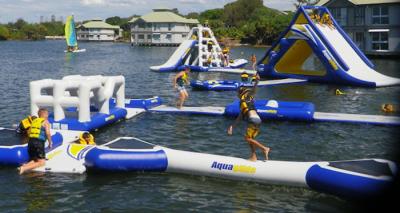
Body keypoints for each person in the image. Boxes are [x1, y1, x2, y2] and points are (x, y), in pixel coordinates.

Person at [227, 74, 270, 161]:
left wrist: (257, 81)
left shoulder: (246, 97)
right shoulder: (246, 101)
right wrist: (232, 127)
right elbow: (239, 117)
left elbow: (254, 90)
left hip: (252, 120)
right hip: (258, 120)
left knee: (247, 138)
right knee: (251, 139)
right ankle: (253, 156)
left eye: (237, 93)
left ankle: (264, 148)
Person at [18, 108, 52, 175]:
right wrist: (50, 142)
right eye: (47, 114)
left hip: (30, 142)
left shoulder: (34, 121)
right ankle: (24, 168)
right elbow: (48, 133)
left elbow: (30, 132)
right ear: (44, 114)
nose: (48, 116)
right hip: (38, 143)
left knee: (35, 160)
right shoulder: (46, 122)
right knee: (42, 162)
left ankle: (23, 167)